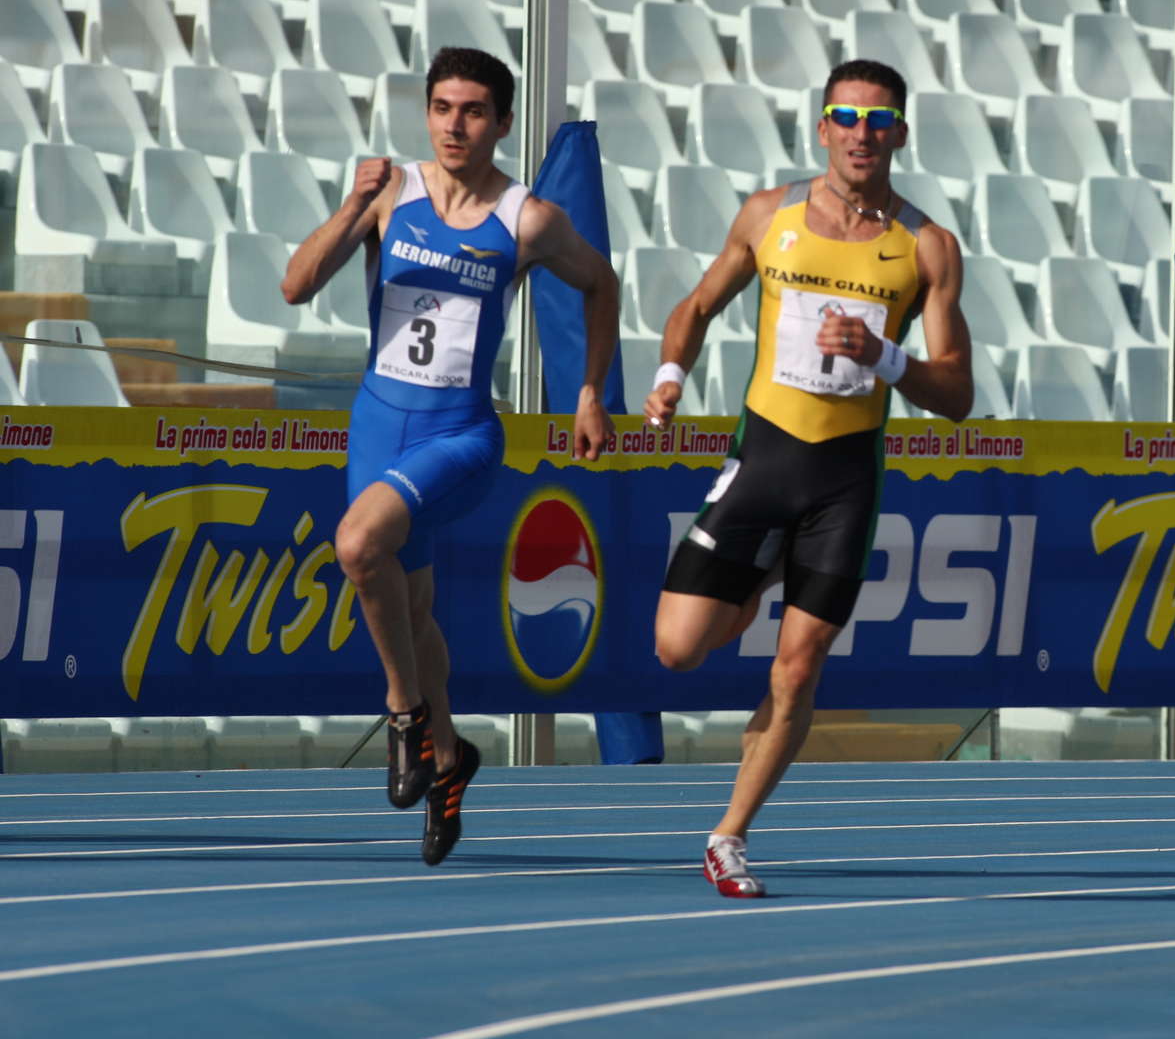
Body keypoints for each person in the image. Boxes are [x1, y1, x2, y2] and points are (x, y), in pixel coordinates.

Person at [281, 46, 619, 865]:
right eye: (441, 108)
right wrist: (353, 203)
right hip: (377, 426)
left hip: (460, 434)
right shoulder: (390, 192)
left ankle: (406, 715)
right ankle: (450, 755)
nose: (454, 125)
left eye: (472, 111)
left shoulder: (527, 218)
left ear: (502, 123)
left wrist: (590, 391)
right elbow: (295, 286)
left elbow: (601, 284)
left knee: (358, 545)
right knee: (412, 606)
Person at [646, 59, 974, 898]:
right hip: (764, 461)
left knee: (797, 668)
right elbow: (696, 306)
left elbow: (957, 394)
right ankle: (760, 575)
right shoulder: (770, 215)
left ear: (901, 134)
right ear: (822, 127)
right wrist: (672, 378)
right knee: (677, 649)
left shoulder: (929, 247)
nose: (862, 134)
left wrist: (884, 356)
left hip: (843, 483)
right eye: (847, 118)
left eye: (879, 121)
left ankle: (729, 836)